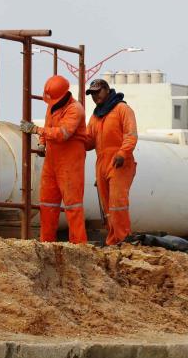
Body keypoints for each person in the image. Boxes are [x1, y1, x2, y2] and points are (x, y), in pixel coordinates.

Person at [20, 74, 87, 244]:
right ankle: (47, 243)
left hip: (70, 161)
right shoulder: (52, 106)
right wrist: (42, 143)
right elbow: (50, 126)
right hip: (52, 160)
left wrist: (36, 130)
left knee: (72, 205)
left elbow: (63, 134)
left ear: (64, 95)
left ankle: (79, 246)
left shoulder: (75, 109)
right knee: (47, 204)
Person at [85, 79, 138, 245]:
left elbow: (131, 135)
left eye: (97, 92)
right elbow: (89, 142)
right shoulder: (95, 116)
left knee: (117, 203)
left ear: (107, 90)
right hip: (102, 163)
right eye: (92, 93)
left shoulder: (122, 109)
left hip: (120, 163)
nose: (95, 96)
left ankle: (123, 239)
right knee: (107, 207)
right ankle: (112, 240)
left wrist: (122, 153)